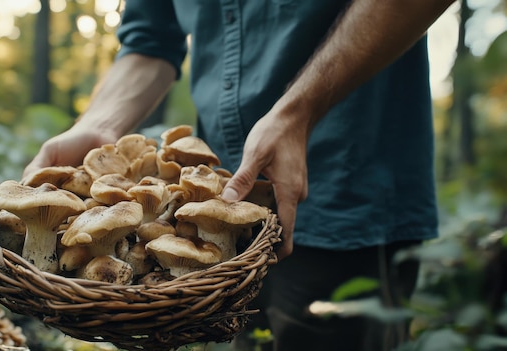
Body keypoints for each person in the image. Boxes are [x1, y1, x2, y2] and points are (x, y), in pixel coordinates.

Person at [24, 1, 456, 350]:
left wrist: (299, 111)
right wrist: (100, 126)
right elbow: (151, 36)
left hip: (348, 185)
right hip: (217, 216)